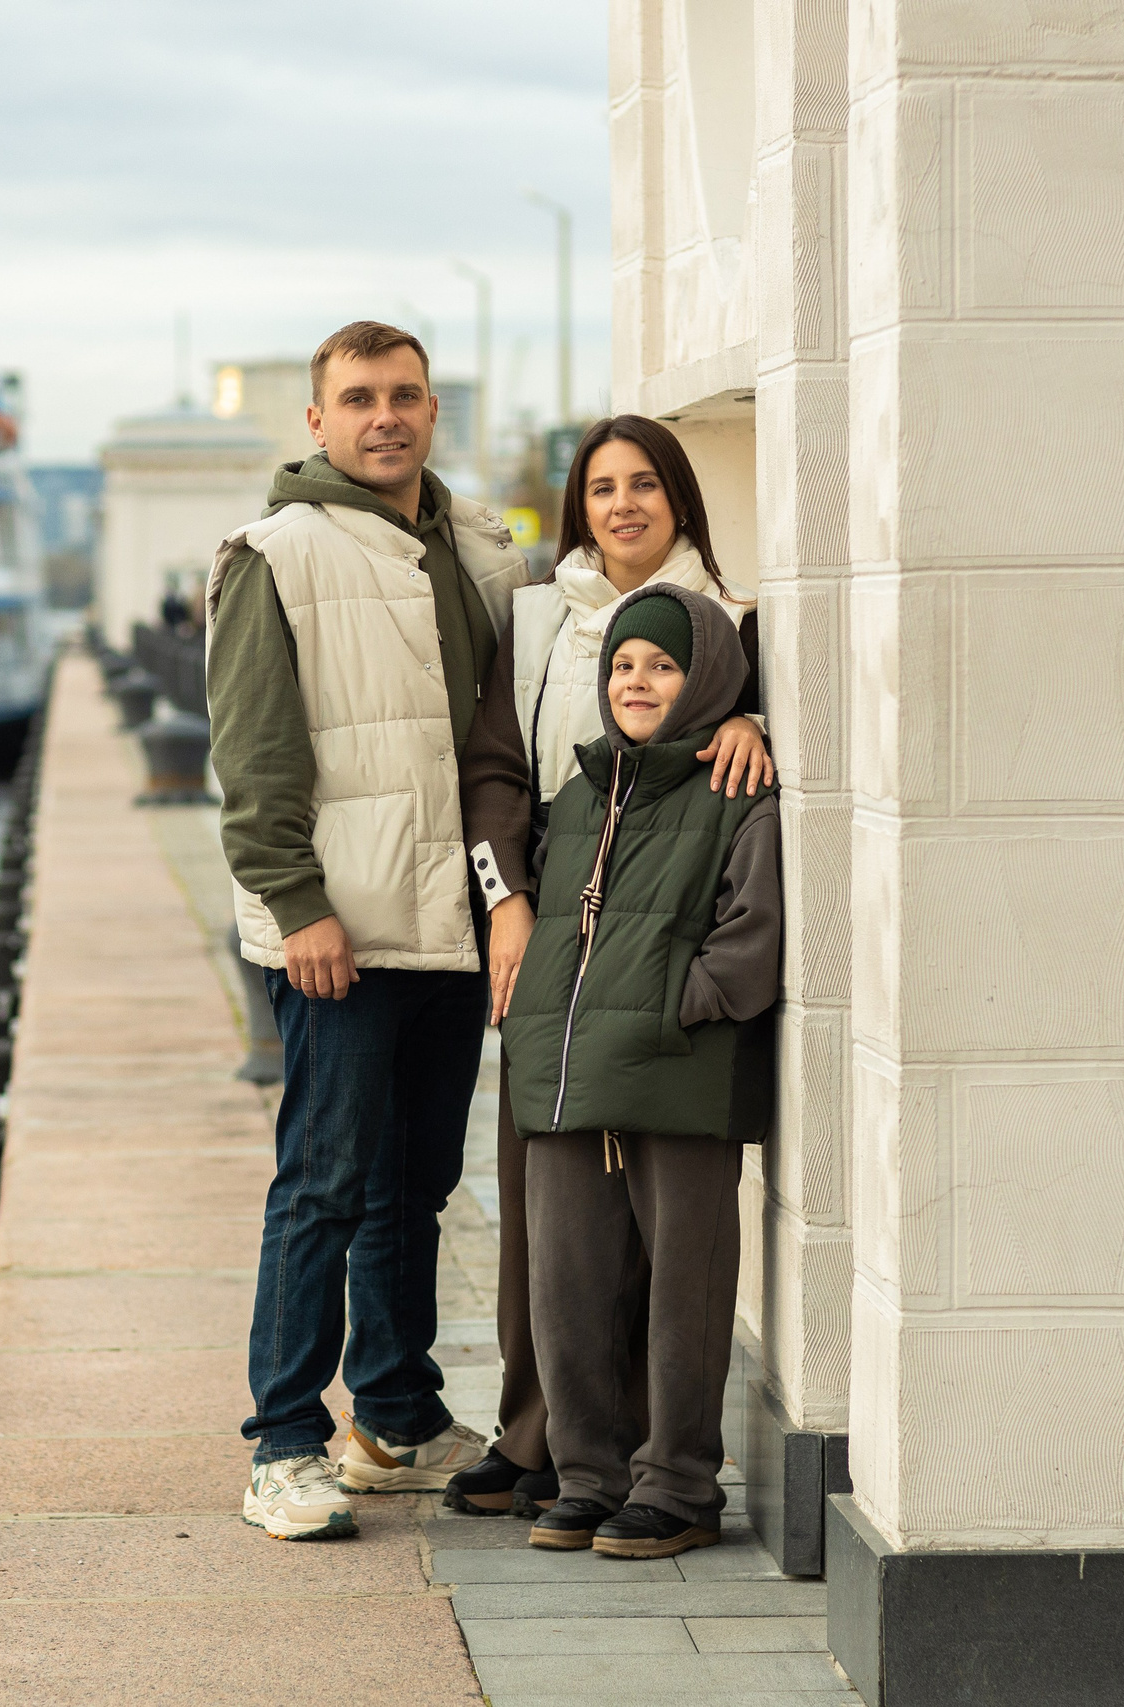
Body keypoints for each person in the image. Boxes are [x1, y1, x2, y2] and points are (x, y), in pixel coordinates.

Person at [205, 320, 531, 1540]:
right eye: (358, 399)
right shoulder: (273, 554)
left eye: (405, 396)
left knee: (415, 1184)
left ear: (432, 412)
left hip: (448, 918)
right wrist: (296, 906)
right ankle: (283, 1444)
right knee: (324, 1185)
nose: (384, 416)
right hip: (337, 926)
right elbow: (252, 750)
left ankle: (394, 1421)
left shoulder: (479, 547)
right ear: (317, 422)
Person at [444, 416, 772, 1518]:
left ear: (680, 497)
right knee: (553, 1208)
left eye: (642, 485)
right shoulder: (539, 618)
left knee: (666, 1220)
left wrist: (759, 719)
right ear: (576, 505)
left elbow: (771, 735)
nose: (620, 505)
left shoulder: (738, 621)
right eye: (599, 488)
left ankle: (656, 1465)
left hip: (670, 908)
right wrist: (508, 907)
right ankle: (542, 1437)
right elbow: (491, 772)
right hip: (553, 908)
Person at [497, 581, 781, 1558]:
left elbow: (751, 941)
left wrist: (672, 1007)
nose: (637, 680)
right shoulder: (580, 792)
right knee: (566, 1286)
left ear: (701, 677)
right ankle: (588, 1476)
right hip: (568, 1075)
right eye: (623, 664)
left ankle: (680, 1486)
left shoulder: (737, 788)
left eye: (661, 664)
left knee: (683, 1294)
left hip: (677, 1078)